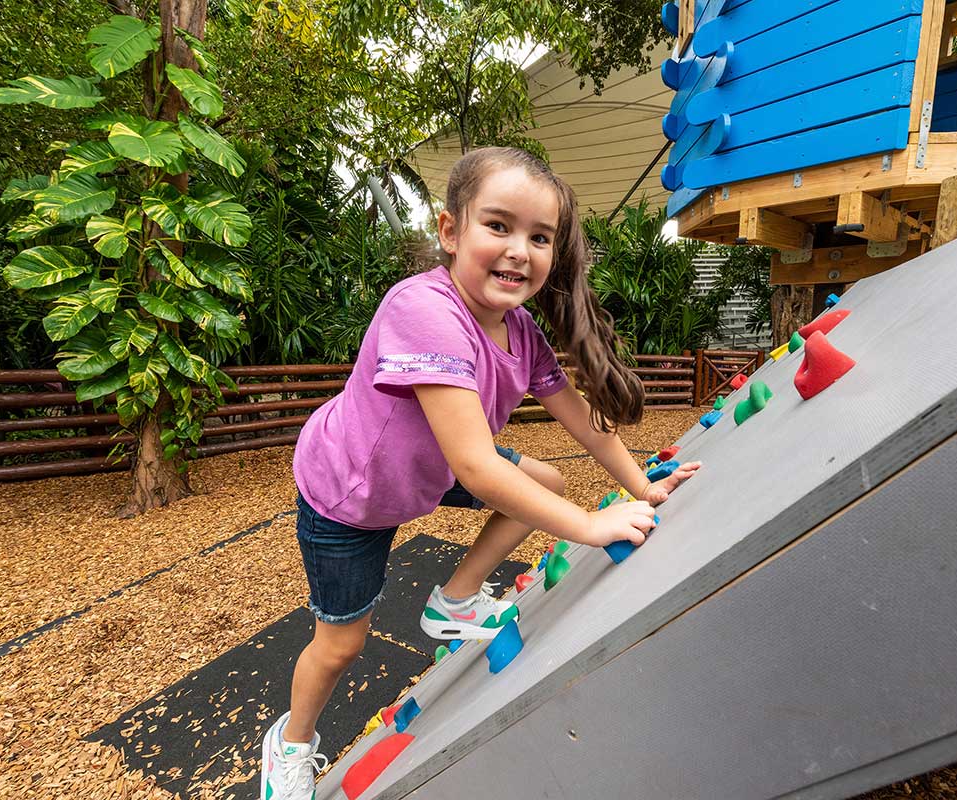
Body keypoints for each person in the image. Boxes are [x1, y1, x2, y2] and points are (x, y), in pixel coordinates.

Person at [259, 147, 701, 798]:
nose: (520, 249)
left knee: (544, 481)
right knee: (341, 646)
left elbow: (580, 419)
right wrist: (589, 525)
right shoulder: (424, 311)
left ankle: (454, 602)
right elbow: (476, 464)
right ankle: (289, 745)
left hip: (426, 469)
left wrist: (642, 486)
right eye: (499, 226)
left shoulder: (521, 331)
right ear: (450, 231)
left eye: (539, 236)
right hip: (351, 493)